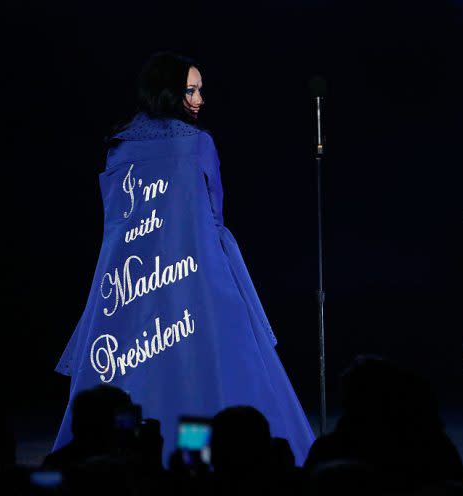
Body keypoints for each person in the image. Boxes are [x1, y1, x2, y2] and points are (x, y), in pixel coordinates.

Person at [53, 52, 315, 465]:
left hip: (131, 278)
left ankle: (131, 456)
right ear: (167, 92)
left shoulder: (119, 146)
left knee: (138, 370)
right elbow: (213, 216)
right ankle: (210, 456)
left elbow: (117, 223)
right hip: (197, 274)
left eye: (199, 90)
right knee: (206, 367)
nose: (199, 99)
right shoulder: (198, 144)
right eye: (190, 90)